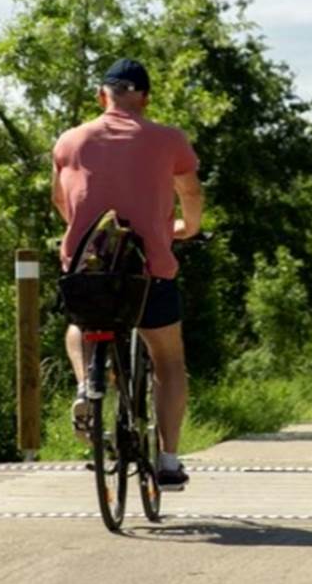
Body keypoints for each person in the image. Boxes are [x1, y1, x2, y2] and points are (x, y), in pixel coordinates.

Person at [51, 58, 204, 490]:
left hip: (90, 272)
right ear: (145, 97)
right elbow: (190, 191)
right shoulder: (168, 140)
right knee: (170, 361)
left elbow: (60, 201)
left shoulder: (69, 140)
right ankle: (170, 461)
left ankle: (87, 387)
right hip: (148, 270)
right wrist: (186, 228)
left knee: (80, 324)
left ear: (103, 96)